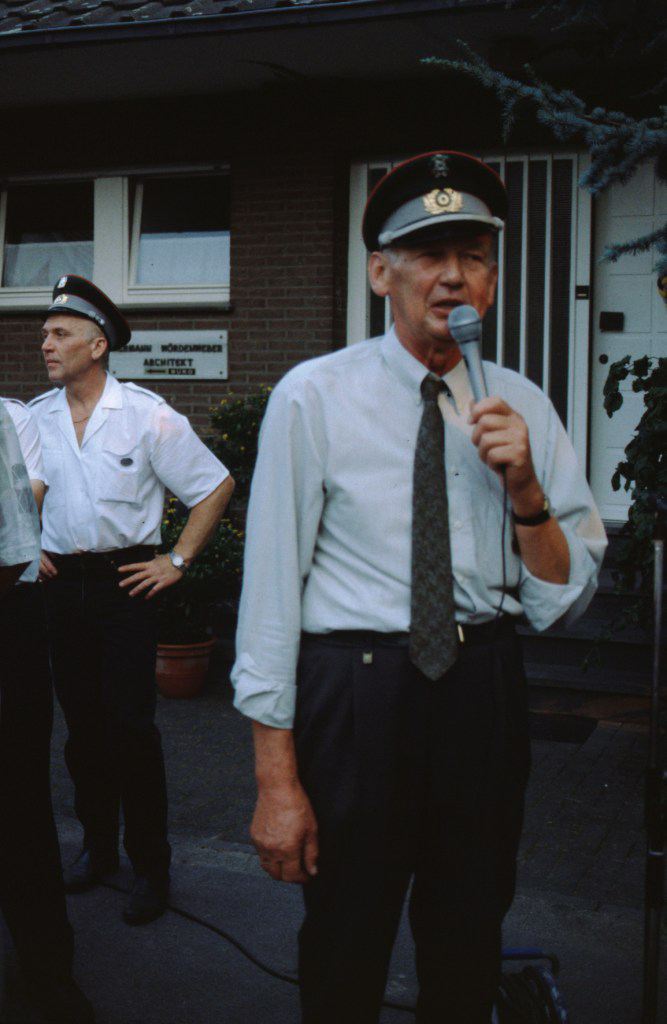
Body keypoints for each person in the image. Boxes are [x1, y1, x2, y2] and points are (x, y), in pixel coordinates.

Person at [231, 151, 608, 1023]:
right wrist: (276, 782)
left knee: (468, 932)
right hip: (356, 694)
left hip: (482, 691)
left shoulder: (522, 406)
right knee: (344, 936)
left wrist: (525, 492)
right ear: (380, 273)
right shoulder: (312, 397)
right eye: (429, 254)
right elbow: (270, 596)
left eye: (472, 256)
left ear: (493, 281)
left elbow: (561, 599)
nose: (452, 277)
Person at [30, 276, 234, 926]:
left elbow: (214, 485)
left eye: (60, 334)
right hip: (60, 587)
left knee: (131, 730)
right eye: (45, 334)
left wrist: (177, 560)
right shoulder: (35, 418)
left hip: (124, 585)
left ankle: (151, 866)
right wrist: (25, 544)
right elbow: (19, 495)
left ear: (97, 346)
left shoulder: (147, 414)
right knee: (82, 731)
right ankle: (97, 849)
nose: (45, 344)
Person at [0, 398, 94, 1023]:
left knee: (18, 805)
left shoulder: (6, 418)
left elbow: (14, 550)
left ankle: (47, 977)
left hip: (8, 616)